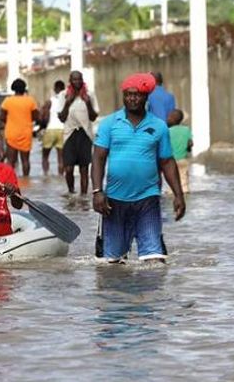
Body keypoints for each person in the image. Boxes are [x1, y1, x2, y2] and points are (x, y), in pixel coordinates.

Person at [92, 72, 186, 264]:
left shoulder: (159, 126)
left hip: (147, 199)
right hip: (114, 201)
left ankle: (153, 294)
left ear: (145, 97)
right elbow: (98, 158)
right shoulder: (109, 124)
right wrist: (97, 191)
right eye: (128, 94)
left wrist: (179, 195)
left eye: (136, 94)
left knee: (154, 262)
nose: (132, 98)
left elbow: (167, 162)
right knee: (112, 264)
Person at [59, 70, 98, 196]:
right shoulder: (64, 95)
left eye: (79, 79)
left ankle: (83, 197)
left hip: (85, 134)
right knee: (68, 168)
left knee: (84, 169)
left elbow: (93, 117)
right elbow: (62, 117)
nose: (77, 82)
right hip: (69, 134)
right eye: (74, 80)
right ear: (70, 81)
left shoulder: (89, 95)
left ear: (82, 81)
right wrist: (67, 102)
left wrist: (87, 103)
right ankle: (71, 192)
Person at [0, 78, 39, 176]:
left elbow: (2, 117)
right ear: (24, 88)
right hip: (26, 133)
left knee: (11, 161)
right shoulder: (30, 101)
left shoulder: (8, 101)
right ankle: (26, 181)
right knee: (25, 160)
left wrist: (10, 121)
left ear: (13, 88)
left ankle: (10, 181)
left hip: (11, 133)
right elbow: (35, 117)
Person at [40, 80, 66, 176]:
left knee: (45, 156)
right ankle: (60, 177)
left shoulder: (49, 101)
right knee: (61, 158)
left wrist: (42, 127)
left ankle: (45, 175)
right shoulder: (67, 101)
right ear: (64, 89)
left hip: (50, 129)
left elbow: (44, 116)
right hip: (62, 130)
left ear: (55, 89)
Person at [167, 109, 193, 194]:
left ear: (173, 119)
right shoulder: (186, 130)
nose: (167, 118)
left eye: (169, 117)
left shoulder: (168, 131)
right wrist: (188, 149)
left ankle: (171, 191)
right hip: (183, 159)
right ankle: (185, 190)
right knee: (183, 177)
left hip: (171, 160)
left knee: (171, 177)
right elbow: (190, 143)